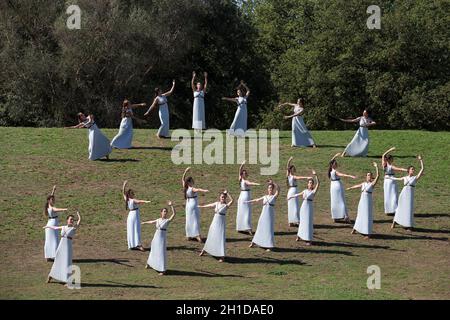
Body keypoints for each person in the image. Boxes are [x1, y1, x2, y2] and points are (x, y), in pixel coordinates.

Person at [45, 211, 81, 285]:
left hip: (68, 248)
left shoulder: (73, 228)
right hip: (61, 247)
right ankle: (50, 276)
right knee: (57, 261)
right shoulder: (63, 227)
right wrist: (47, 226)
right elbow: (55, 228)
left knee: (67, 263)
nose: (72, 221)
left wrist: (79, 215)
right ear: (67, 220)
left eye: (73, 220)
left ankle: (67, 280)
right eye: (70, 219)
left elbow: (79, 221)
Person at [390, 155, 424, 230]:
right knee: (400, 208)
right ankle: (394, 222)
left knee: (409, 209)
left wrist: (421, 160)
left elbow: (422, 169)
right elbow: (397, 178)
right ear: (408, 170)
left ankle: (409, 225)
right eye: (412, 169)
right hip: (403, 194)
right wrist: (389, 177)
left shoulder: (415, 178)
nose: (413, 170)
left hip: (410, 195)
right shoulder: (405, 177)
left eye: (414, 170)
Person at [199, 191, 234, 262]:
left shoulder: (226, 205)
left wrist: (227, 193)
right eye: (222, 197)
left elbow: (232, 200)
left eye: (224, 197)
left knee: (220, 237)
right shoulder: (217, 203)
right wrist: (202, 206)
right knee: (211, 235)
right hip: (214, 221)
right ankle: (205, 250)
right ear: (219, 197)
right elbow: (209, 205)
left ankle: (222, 256)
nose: (223, 198)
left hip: (221, 222)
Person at [142, 201, 176, 275]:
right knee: (153, 250)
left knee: (161, 252)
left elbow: (174, 214)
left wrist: (171, 205)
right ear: (161, 212)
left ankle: (163, 270)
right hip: (156, 237)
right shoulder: (158, 220)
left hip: (162, 238)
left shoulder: (167, 221)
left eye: (166, 212)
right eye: (164, 211)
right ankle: (150, 263)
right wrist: (144, 222)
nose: (165, 213)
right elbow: (151, 222)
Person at [347, 162, 380, 239]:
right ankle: (355, 228)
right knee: (360, 214)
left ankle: (368, 233)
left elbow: (378, 176)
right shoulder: (364, 183)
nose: (369, 176)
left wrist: (376, 167)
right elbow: (356, 186)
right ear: (366, 177)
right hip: (362, 201)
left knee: (367, 215)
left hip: (368, 201)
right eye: (368, 175)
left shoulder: (372, 184)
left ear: (372, 177)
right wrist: (350, 188)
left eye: (370, 175)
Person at [246, 181, 280, 251]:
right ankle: (254, 242)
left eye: (271, 188)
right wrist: (247, 202)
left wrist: (273, 183)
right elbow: (256, 200)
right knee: (260, 227)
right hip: (263, 215)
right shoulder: (265, 197)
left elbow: (278, 189)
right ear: (267, 189)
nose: (270, 189)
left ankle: (269, 246)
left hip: (270, 216)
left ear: (273, 189)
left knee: (269, 229)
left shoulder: (274, 197)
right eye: (269, 188)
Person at [288, 171, 320, 246]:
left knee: (308, 222)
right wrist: (290, 197)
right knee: (302, 222)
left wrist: (316, 175)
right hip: (303, 207)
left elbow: (318, 183)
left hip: (309, 207)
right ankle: (299, 235)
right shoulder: (305, 191)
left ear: (313, 185)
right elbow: (297, 195)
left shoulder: (313, 192)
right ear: (308, 184)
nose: (310, 184)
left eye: (311, 183)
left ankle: (309, 239)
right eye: (309, 183)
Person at [182, 167, 209, 242]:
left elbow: (182, 179)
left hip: (188, 204)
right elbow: (198, 189)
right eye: (192, 181)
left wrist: (185, 171)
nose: (193, 182)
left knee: (189, 219)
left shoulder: (185, 187)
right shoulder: (191, 188)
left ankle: (189, 235)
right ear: (189, 182)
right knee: (195, 219)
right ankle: (197, 235)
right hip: (193, 204)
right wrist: (204, 190)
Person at [122, 180, 151, 251]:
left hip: (130, 215)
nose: (133, 194)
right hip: (134, 215)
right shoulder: (132, 200)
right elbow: (139, 201)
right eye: (132, 193)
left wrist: (124, 185)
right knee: (136, 229)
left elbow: (123, 192)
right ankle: (138, 245)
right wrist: (146, 201)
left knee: (131, 229)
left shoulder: (127, 200)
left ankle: (132, 244)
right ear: (130, 194)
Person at [328, 153, 356, 223]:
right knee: (341, 200)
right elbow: (342, 174)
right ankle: (346, 216)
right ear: (333, 164)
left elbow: (330, 161)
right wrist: (350, 176)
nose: (336, 164)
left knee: (334, 201)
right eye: (335, 163)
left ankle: (336, 216)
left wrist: (335, 156)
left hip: (332, 186)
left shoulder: (330, 170)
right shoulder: (334, 171)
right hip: (337, 186)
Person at [285, 157, 313, 227]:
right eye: (293, 168)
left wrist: (289, 160)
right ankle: (296, 220)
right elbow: (299, 178)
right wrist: (307, 177)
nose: (294, 169)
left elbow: (287, 167)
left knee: (291, 206)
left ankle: (291, 221)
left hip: (290, 191)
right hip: (294, 190)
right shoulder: (293, 176)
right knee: (295, 206)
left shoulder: (288, 176)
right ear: (291, 170)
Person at [44, 185, 68, 261]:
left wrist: (53, 190)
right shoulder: (51, 208)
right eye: (52, 200)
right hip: (53, 225)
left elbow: (51, 196)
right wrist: (64, 209)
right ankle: (55, 256)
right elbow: (56, 209)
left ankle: (48, 256)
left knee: (49, 241)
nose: (53, 200)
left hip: (49, 224)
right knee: (54, 240)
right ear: (49, 201)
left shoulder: (48, 205)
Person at [236, 161, 261, 235]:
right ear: (242, 175)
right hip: (245, 196)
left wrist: (242, 165)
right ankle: (248, 228)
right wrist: (257, 184)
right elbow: (250, 183)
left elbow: (239, 171)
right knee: (247, 212)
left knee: (242, 212)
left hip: (243, 195)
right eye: (244, 173)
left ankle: (240, 227)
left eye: (245, 173)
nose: (245, 174)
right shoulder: (243, 180)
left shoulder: (241, 180)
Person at [381, 147, 407, 216]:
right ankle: (394, 209)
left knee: (387, 195)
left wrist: (390, 150)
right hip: (392, 180)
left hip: (386, 180)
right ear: (390, 159)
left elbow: (383, 155)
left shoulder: (384, 165)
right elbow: (400, 169)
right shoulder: (391, 166)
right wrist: (407, 170)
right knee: (394, 195)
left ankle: (388, 210)